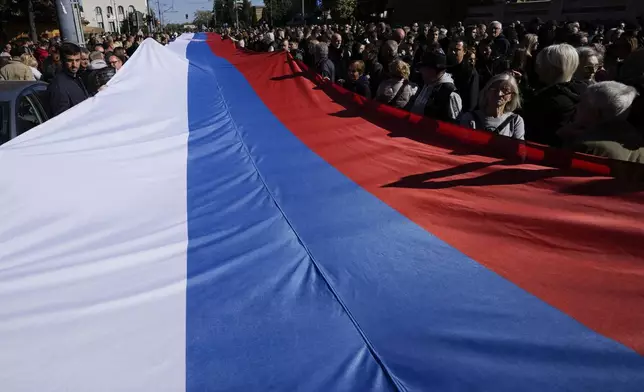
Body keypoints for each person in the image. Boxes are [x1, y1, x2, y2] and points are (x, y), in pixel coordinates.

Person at [561, 81, 642, 163]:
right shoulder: (634, 141)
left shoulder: (589, 148)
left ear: (595, 114)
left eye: (583, 104)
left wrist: (563, 138)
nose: (577, 106)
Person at [523, 44, 587, 147]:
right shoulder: (585, 91)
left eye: (540, 64)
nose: (537, 68)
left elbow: (533, 135)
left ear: (553, 69)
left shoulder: (547, 101)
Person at [459, 73, 525, 140]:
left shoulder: (515, 121)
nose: (499, 94)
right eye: (494, 89)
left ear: (511, 97)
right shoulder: (470, 118)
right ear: (486, 92)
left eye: (505, 90)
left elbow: (519, 149)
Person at [407, 49, 462, 122]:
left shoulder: (450, 94)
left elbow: (455, 126)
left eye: (423, 68)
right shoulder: (428, 84)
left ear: (432, 70)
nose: (420, 71)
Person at [47, 42, 90, 117]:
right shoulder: (58, 86)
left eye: (77, 60)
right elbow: (61, 118)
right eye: (70, 61)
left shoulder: (76, 77)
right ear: (62, 61)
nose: (74, 65)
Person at [448, 39, 479, 112]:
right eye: (451, 49)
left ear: (464, 52)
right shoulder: (444, 67)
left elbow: (472, 101)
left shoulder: (470, 72)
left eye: (457, 50)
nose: (453, 52)